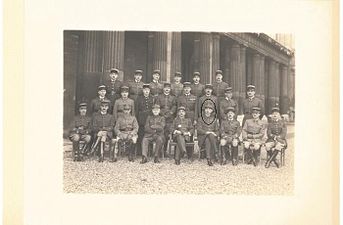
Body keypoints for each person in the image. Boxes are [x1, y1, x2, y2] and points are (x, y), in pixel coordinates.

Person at [156, 83, 177, 155]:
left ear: (170, 89)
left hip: (170, 119)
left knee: (168, 134)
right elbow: (157, 106)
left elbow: (174, 106)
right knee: (161, 133)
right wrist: (162, 114)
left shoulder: (173, 97)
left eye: (168, 88)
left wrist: (170, 113)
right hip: (161, 117)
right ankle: (160, 151)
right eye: (165, 88)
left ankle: (165, 151)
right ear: (163, 89)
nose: (167, 89)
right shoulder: (159, 97)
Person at [197, 102, 220, 166]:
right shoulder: (200, 119)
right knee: (208, 136)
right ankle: (216, 152)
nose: (207, 110)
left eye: (209, 109)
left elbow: (217, 130)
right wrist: (206, 132)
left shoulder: (214, 120)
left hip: (212, 138)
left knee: (208, 139)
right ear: (204, 110)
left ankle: (208, 159)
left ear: (212, 111)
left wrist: (216, 134)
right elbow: (199, 129)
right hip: (202, 137)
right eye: (206, 109)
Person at [135, 84, 154, 155]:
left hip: (149, 118)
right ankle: (140, 151)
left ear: (149, 91)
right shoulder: (139, 98)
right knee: (141, 134)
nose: (146, 91)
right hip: (141, 118)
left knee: (150, 133)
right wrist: (137, 119)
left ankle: (150, 151)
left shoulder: (152, 98)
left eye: (148, 90)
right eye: (145, 90)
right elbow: (137, 110)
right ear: (143, 91)